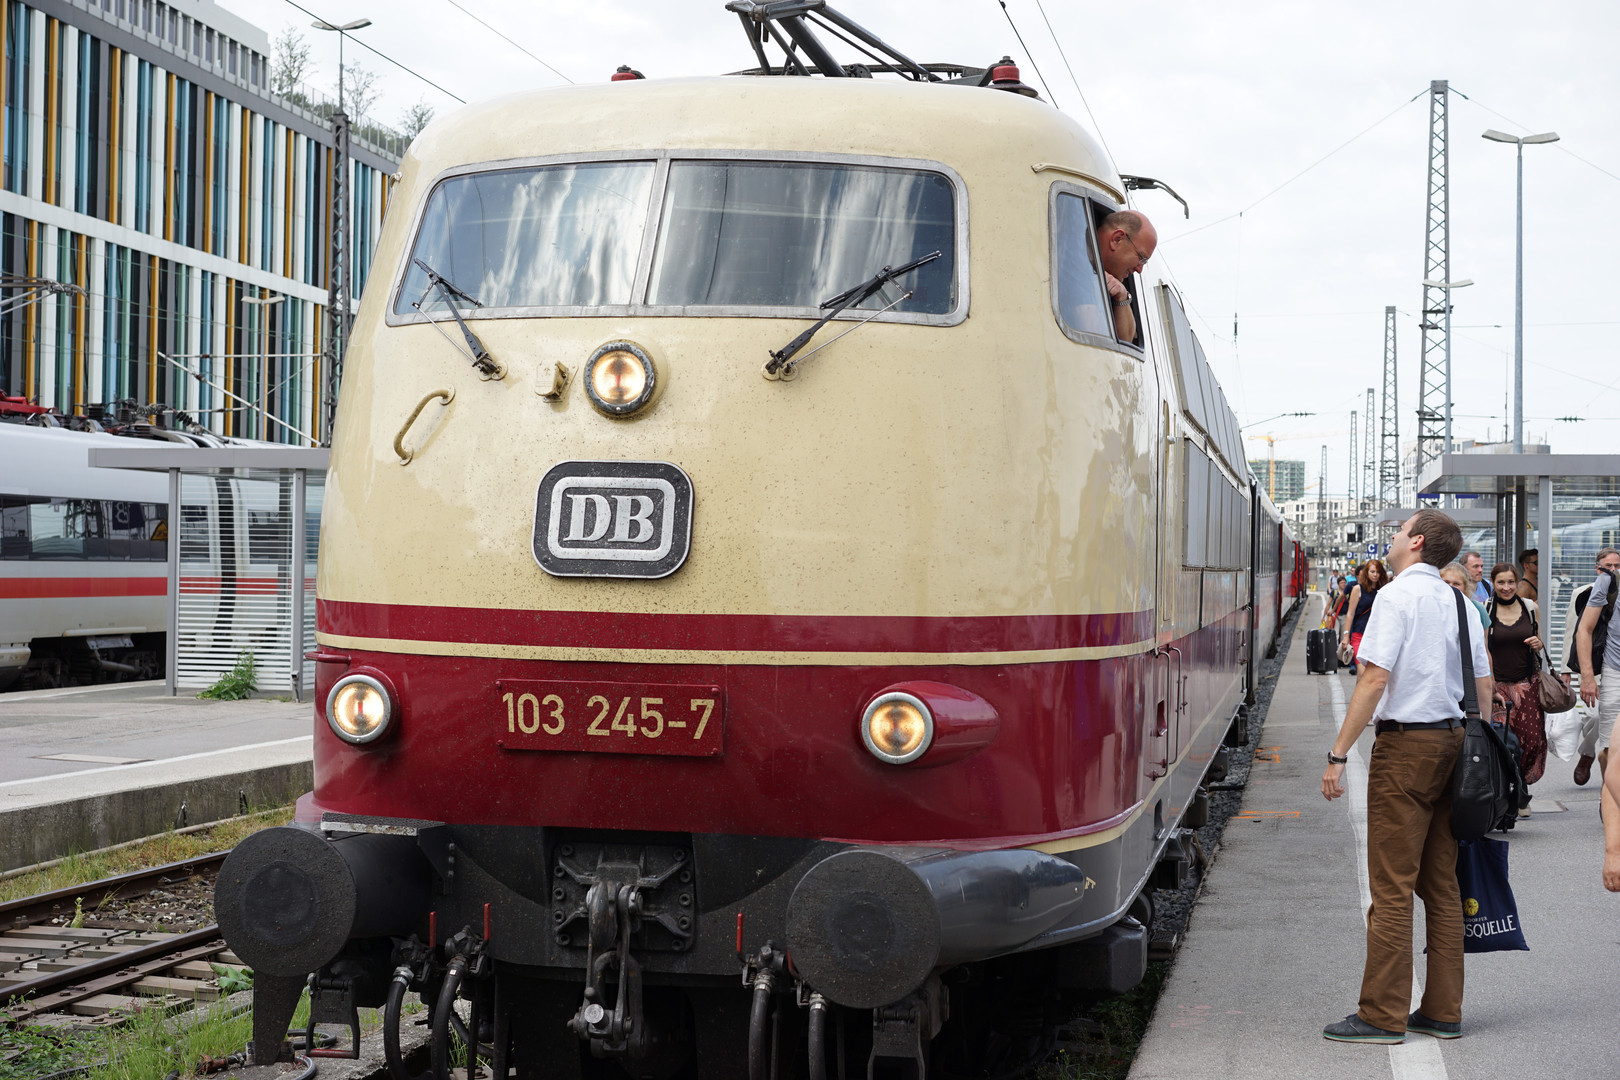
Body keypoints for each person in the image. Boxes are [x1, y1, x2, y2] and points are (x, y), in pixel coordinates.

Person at [1320, 510, 1492, 1044]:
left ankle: (1381, 1015)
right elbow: (1483, 684)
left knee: (1392, 885)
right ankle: (1442, 1010)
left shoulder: (1396, 597)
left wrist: (1338, 754)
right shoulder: (1460, 603)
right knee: (1441, 884)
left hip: (1406, 749)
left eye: (1399, 531)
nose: (1392, 537)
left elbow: (1374, 679)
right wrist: (1477, 750)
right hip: (1456, 744)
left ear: (1415, 542)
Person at [1485, 563, 1552, 800]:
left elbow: (1540, 641)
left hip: (1527, 684)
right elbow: (1482, 649)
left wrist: (1538, 643)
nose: (1506, 587)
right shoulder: (1486, 608)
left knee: (1531, 740)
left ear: (1517, 582)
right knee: (1502, 741)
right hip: (1497, 687)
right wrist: (1489, 683)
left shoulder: (1530, 607)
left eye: (1511, 582)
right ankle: (1509, 793)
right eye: (1501, 582)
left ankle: (1521, 783)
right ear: (1493, 583)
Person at [1561, 548, 1620, 784]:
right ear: (1598, 569)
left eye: (1617, 565)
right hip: (1594, 664)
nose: (1613, 570)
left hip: (1609, 662)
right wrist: (1568, 670)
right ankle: (1587, 754)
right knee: (1595, 716)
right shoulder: (1584, 592)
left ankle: (1596, 759)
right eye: (1609, 566)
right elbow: (1574, 632)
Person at [1577, 556, 1620, 828]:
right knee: (1608, 748)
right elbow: (1585, 629)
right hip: (1615, 670)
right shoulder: (1608, 581)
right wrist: (1587, 676)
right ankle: (1610, 797)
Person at [1094, 210, 1157, 342]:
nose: (1139, 270)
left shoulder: (1111, 280)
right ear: (1117, 239)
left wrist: (1122, 296)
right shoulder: (1074, 262)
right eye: (1141, 258)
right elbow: (1094, 334)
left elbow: (1125, 339)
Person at [1339, 559, 1389, 674]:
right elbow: (1350, 613)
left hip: (1378, 636)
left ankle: (1359, 687)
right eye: (1372, 572)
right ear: (1366, 572)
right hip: (1359, 635)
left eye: (1378, 572)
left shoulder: (1384, 590)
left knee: (1370, 675)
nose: (1375, 575)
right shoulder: (1358, 589)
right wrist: (1346, 636)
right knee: (1362, 672)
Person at [1440, 562, 1491, 632]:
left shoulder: (1477, 609)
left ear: (1465, 587)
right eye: (1446, 582)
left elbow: (1484, 638)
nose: (1450, 587)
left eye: (1456, 584)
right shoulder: (1433, 607)